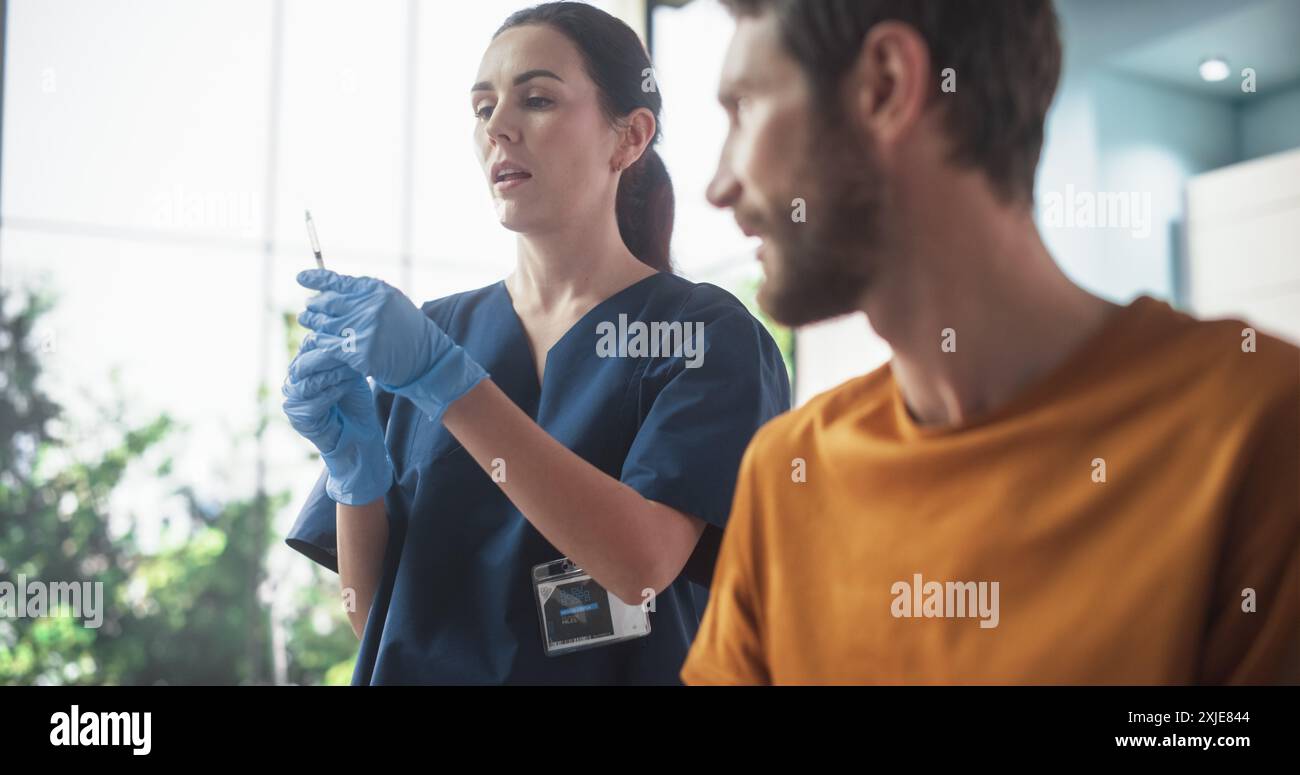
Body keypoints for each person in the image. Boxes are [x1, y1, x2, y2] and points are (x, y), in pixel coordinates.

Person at [682, 0, 1299, 684]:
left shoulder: (1262, 429)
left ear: (884, 85)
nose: (719, 185)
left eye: (743, 108)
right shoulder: (785, 473)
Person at [281, 1, 790, 685]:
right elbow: (377, 616)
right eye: (482, 107)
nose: (499, 126)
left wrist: (447, 383)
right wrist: (353, 475)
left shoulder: (704, 336)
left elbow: (639, 570)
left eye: (538, 98)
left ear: (629, 138)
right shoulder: (430, 334)